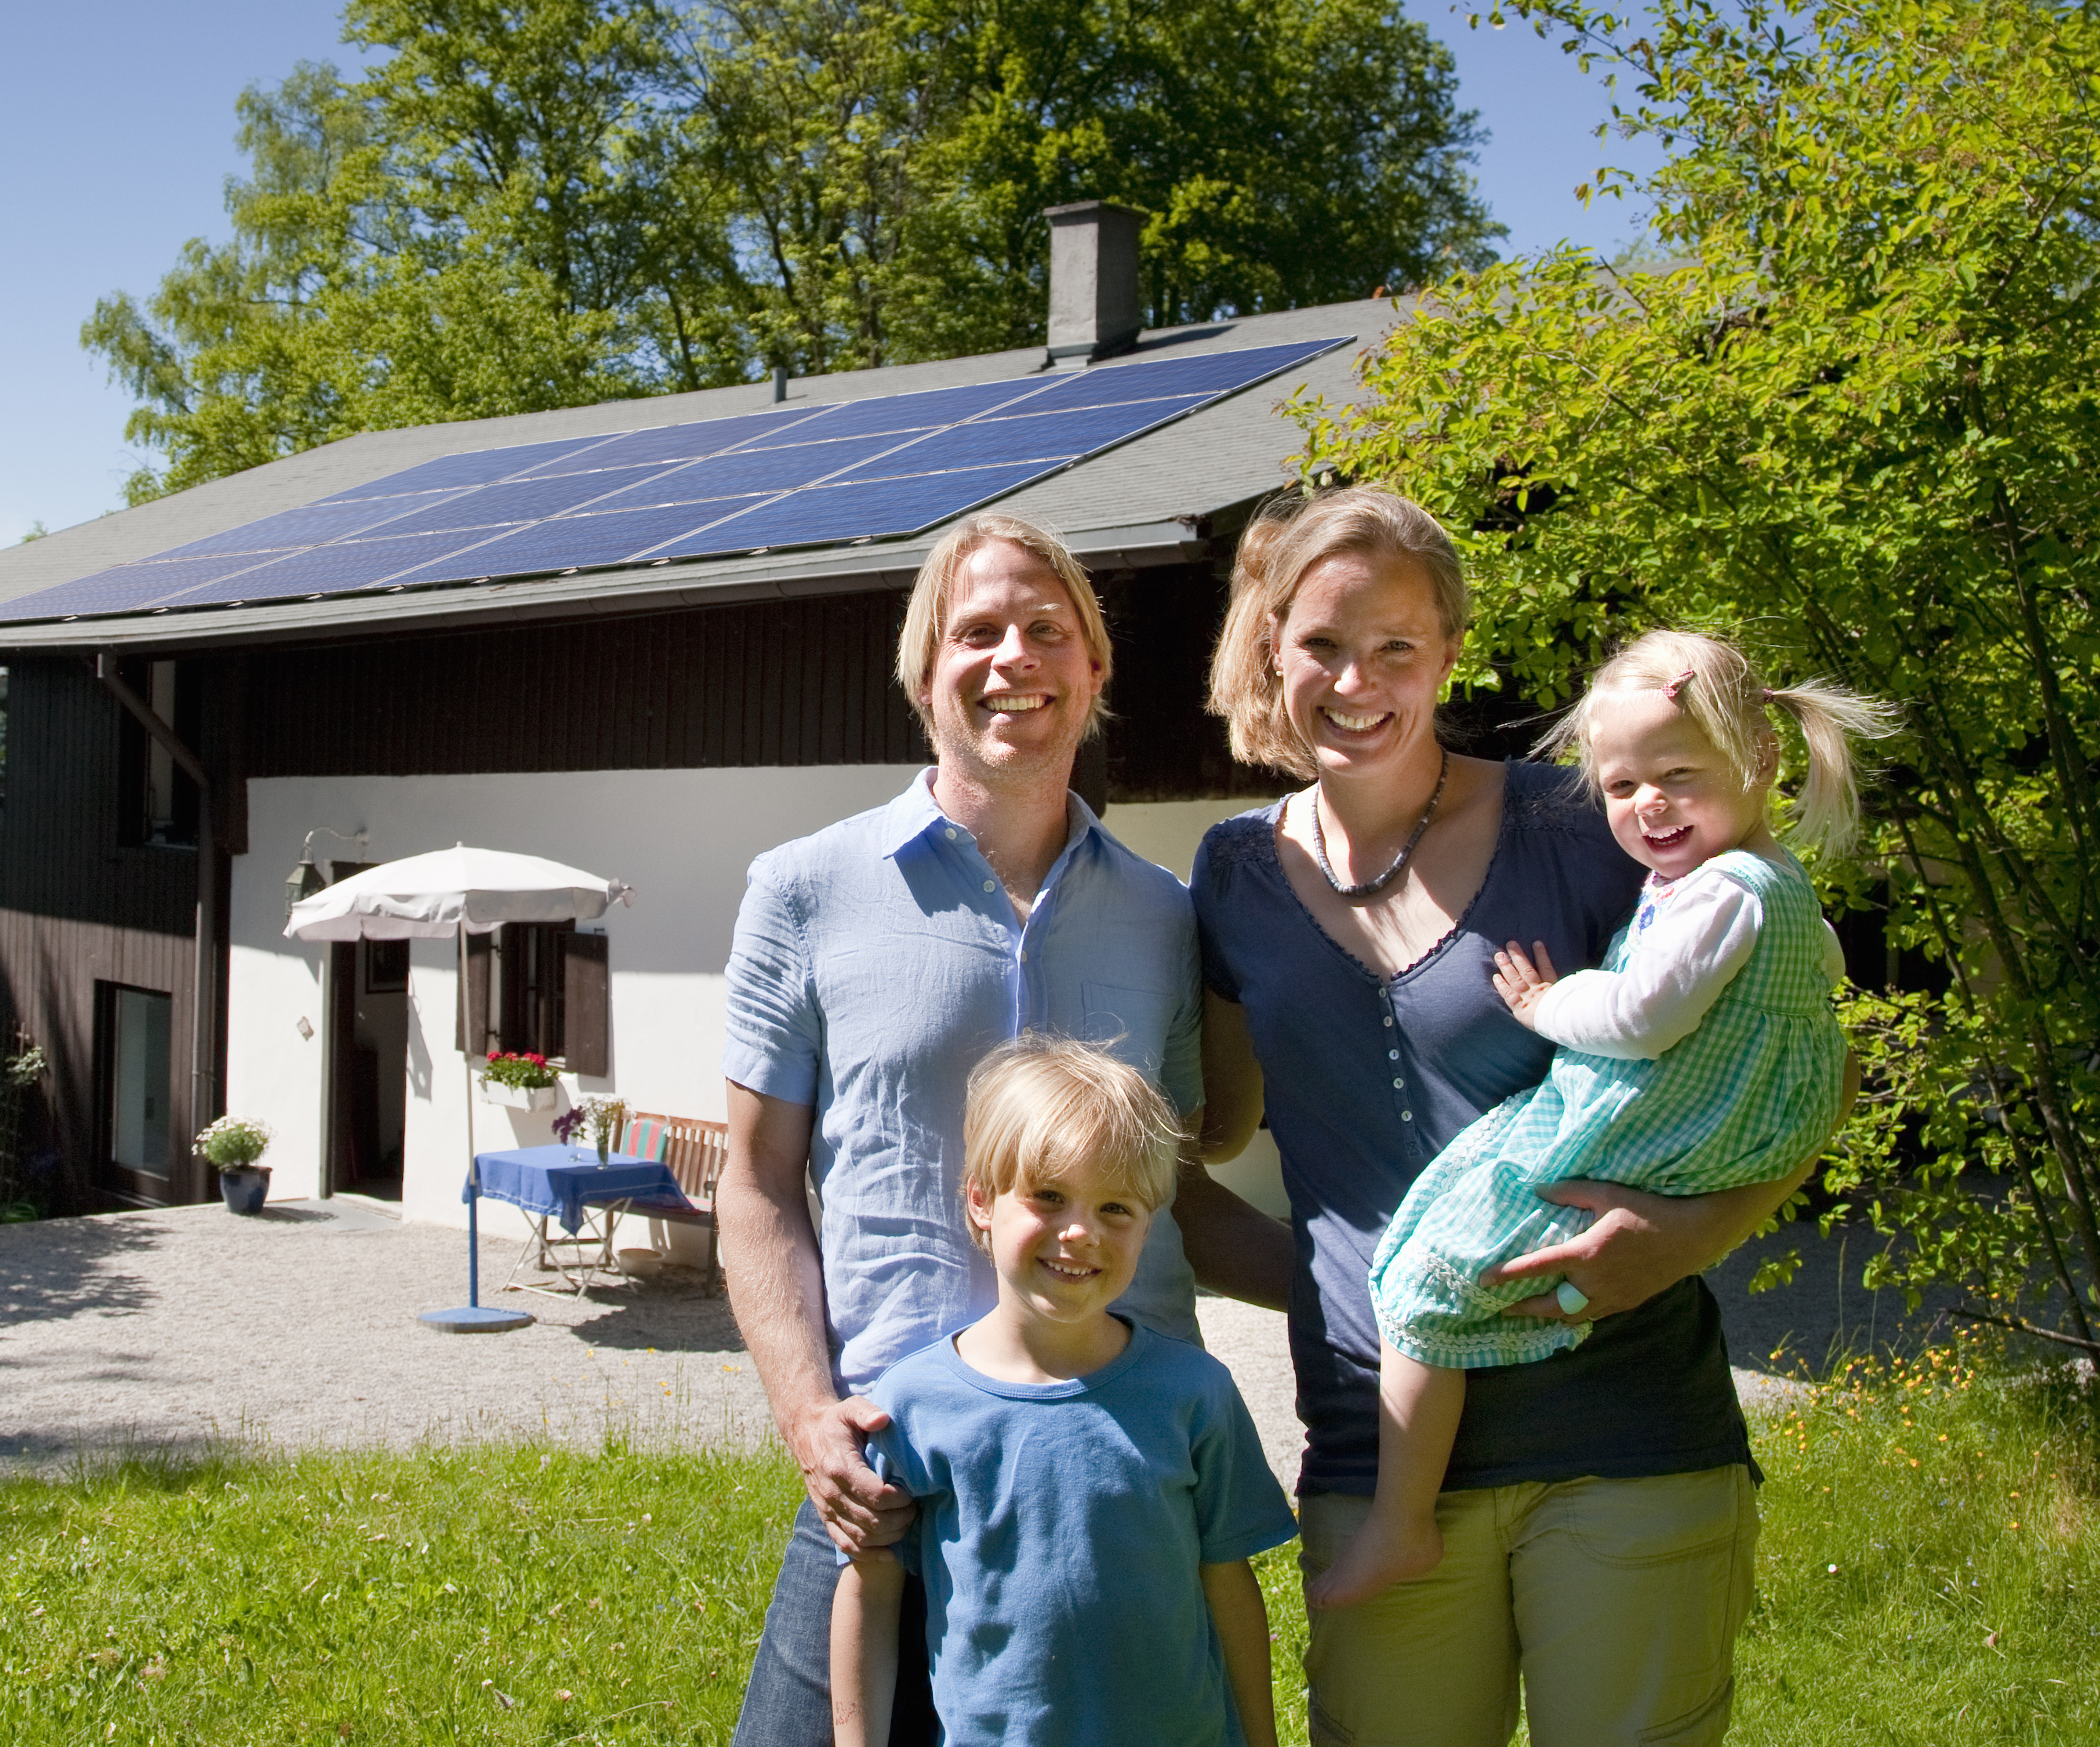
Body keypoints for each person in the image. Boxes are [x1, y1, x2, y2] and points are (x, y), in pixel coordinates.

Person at [1186, 485, 1846, 1747]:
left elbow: (1791, 1061)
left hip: (1627, 1427)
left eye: (1396, 645)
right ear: (1272, 645)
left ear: (1446, 652)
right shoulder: (1230, 873)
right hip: (1377, 1455)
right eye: (1321, 642)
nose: (1355, 679)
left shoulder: (1582, 822)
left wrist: (1691, 1236)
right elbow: (1205, 1136)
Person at [720, 513, 1240, 1747]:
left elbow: (1172, 1183)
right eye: (977, 631)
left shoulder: (1164, 915)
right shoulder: (804, 887)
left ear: (1095, 673)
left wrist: (1357, 1291)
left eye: (1047, 630)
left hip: (1114, 1458)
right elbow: (753, 1184)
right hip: (888, 1458)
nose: (1014, 656)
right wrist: (808, 1418)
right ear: (920, 675)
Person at [1311, 629, 1895, 1608]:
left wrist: (1545, 1007)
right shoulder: (1772, 882)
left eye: (1677, 773)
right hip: (1717, 1123)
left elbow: (1639, 1015)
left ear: (1759, 759)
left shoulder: (1718, 894)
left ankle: (1399, 1524)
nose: (1647, 804)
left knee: (1419, 1282)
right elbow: (1809, 990)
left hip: (1643, 1123)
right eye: (1621, 786)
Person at [829, 1036, 1294, 1747]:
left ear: (1148, 1224)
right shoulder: (912, 1404)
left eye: (1116, 1208)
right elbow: (870, 1591)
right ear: (981, 1201)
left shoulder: (1194, 1394)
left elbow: (1226, 1583)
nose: (1079, 1231)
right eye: (1048, 1196)